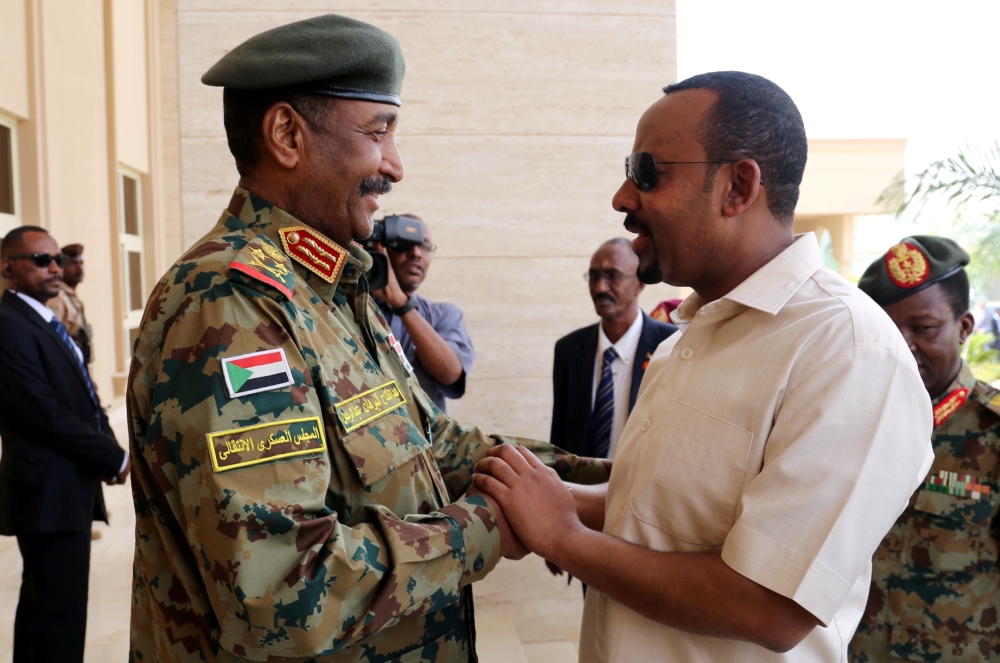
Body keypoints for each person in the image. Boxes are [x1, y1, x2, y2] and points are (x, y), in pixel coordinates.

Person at [126, 15, 607, 663]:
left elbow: (428, 444)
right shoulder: (232, 303)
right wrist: (495, 524)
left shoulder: (331, 286)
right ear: (287, 135)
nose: (396, 166)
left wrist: (613, 483)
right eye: (379, 132)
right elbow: (289, 594)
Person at [472, 71, 935, 662]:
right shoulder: (688, 338)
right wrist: (540, 496)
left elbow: (768, 606)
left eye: (647, 171)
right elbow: (655, 508)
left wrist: (563, 537)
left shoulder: (845, 350)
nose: (621, 197)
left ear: (738, 187)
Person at [850, 236, 1000, 662]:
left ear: (965, 327)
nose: (902, 344)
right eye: (887, 328)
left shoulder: (992, 432)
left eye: (923, 328)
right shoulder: (848, 422)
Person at [0, 226, 129, 663]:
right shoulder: (9, 325)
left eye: (56, 258)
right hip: (46, 493)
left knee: (52, 611)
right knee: (55, 616)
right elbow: (44, 413)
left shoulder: (42, 316)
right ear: (8, 268)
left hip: (66, 488)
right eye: (41, 260)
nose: (54, 267)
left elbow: (85, 396)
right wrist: (115, 456)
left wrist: (108, 450)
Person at [550, 238, 676, 458]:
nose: (600, 287)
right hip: (579, 488)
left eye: (613, 276)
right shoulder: (568, 350)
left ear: (639, 283)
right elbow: (560, 439)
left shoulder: (670, 345)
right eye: (594, 275)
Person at [371, 214, 475, 413]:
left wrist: (401, 304)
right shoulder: (352, 304)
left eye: (425, 246)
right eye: (405, 243)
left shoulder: (444, 314)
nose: (416, 253)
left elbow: (451, 373)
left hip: (429, 440)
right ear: (381, 247)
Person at [48, 243, 93, 365]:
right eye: (73, 264)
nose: (79, 269)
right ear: (61, 267)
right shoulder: (56, 299)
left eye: (81, 263)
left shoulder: (71, 297)